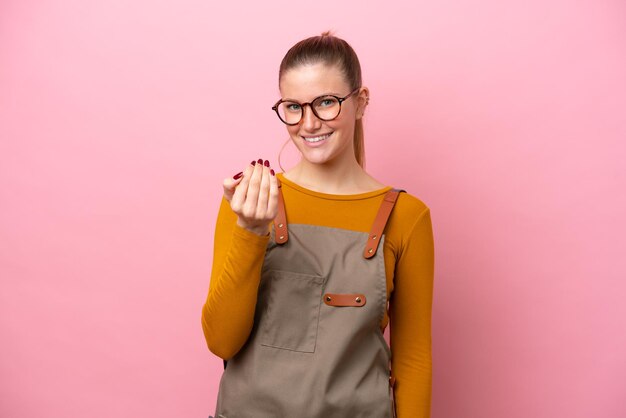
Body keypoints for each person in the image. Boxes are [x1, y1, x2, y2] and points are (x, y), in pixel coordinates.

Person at [201, 30, 434, 418]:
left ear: (360, 102)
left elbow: (413, 361)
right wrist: (250, 231)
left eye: (326, 102)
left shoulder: (407, 217)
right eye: (293, 106)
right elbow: (222, 342)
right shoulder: (250, 203)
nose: (308, 124)